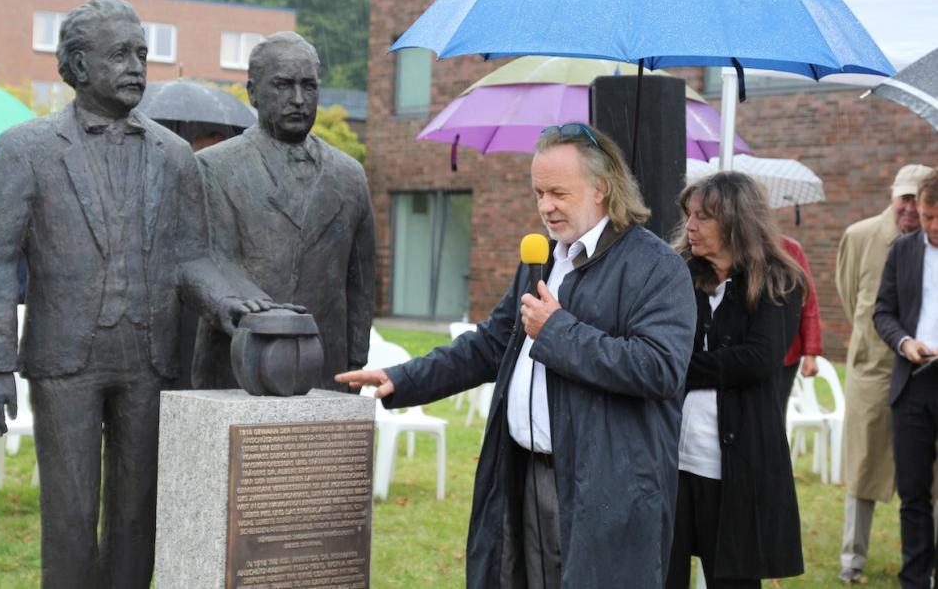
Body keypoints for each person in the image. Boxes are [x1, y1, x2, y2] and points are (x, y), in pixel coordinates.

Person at [0, 0, 289, 588]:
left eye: (142, 54)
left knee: (138, 512)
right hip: (64, 361)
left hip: (148, 361)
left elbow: (195, 256)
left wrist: (229, 302)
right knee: (68, 516)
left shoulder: (174, 156)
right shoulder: (26, 148)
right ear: (76, 64)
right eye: (119, 54)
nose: (136, 67)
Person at [338, 123, 696, 588]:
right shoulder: (543, 257)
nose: (545, 206)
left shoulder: (656, 266)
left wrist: (558, 331)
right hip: (524, 472)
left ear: (602, 188)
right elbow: (492, 343)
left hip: (604, 489)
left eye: (558, 193)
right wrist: (404, 378)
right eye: (538, 192)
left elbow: (660, 368)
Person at [193, 31, 375, 392]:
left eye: (309, 86)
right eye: (282, 85)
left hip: (324, 362)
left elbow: (361, 277)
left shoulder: (349, 175)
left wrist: (356, 354)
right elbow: (209, 261)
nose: (298, 99)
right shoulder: (213, 167)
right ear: (253, 92)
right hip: (238, 362)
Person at [667, 172, 806, 589]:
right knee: (662, 576)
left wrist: (678, 366)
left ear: (736, 221)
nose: (690, 227)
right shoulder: (674, 274)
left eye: (703, 217)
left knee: (734, 582)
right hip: (671, 459)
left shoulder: (779, 279)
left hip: (737, 465)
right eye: (689, 216)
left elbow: (759, 360)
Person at [836, 163, 933, 584]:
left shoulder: (920, 241)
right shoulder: (861, 237)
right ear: (893, 194)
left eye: (919, 201)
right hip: (876, 371)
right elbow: (849, 294)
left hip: (922, 375)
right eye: (905, 198)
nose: (910, 208)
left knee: (924, 479)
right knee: (864, 465)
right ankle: (852, 558)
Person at [874, 169, 938, 589]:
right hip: (914, 380)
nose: (932, 226)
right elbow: (883, 312)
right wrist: (904, 343)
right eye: (929, 216)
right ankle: (915, 581)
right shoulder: (903, 250)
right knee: (913, 493)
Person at [778, 235, 822, 408]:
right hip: (743, 351)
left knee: (776, 418)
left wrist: (811, 353)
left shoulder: (790, 249)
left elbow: (808, 302)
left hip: (784, 354)